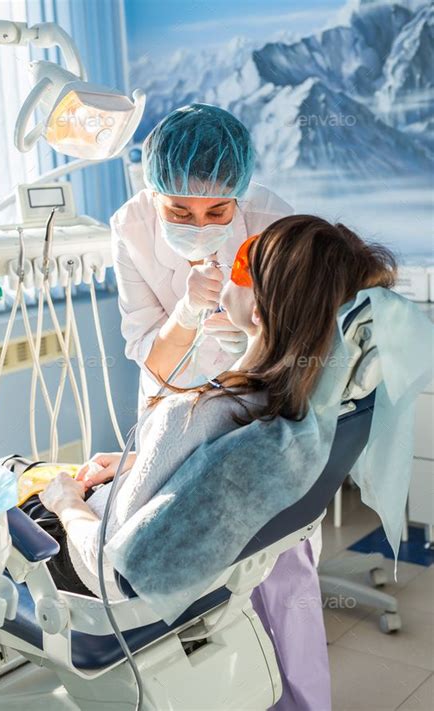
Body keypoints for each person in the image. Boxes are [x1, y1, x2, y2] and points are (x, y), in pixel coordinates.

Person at [35, 214, 396, 711]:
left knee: (13, 501)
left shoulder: (194, 413)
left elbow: (114, 571)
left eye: (246, 267)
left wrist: (67, 502)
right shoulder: (308, 410)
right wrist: (139, 463)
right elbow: (211, 474)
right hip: (204, 568)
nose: (231, 268)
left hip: (89, 565)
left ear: (261, 310)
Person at [110, 102, 292, 413]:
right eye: (179, 213)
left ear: (239, 196)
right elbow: (156, 365)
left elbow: (301, 340)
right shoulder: (131, 228)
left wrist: (252, 340)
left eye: (218, 211)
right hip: (168, 404)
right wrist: (186, 313)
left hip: (255, 397)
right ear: (153, 194)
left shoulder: (273, 224)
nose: (199, 227)